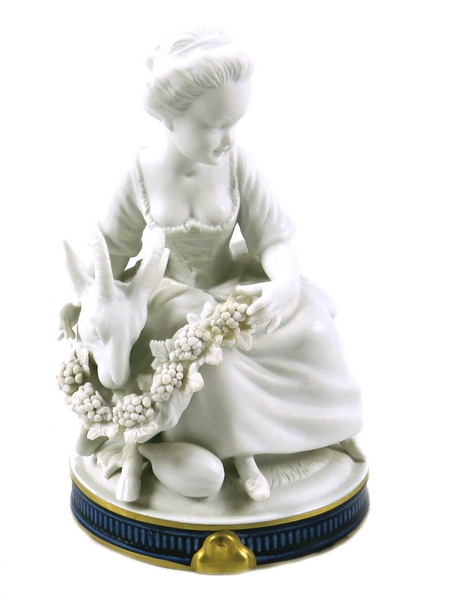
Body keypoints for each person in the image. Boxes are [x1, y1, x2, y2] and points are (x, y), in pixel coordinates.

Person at [61, 28, 363, 500]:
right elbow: (110, 258)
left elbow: (272, 237)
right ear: (171, 118)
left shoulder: (237, 164)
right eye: (215, 125)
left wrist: (284, 284)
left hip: (232, 283)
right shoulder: (139, 174)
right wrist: (97, 309)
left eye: (235, 123)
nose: (228, 138)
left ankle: (325, 432)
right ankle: (224, 452)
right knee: (208, 361)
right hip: (167, 298)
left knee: (316, 328)